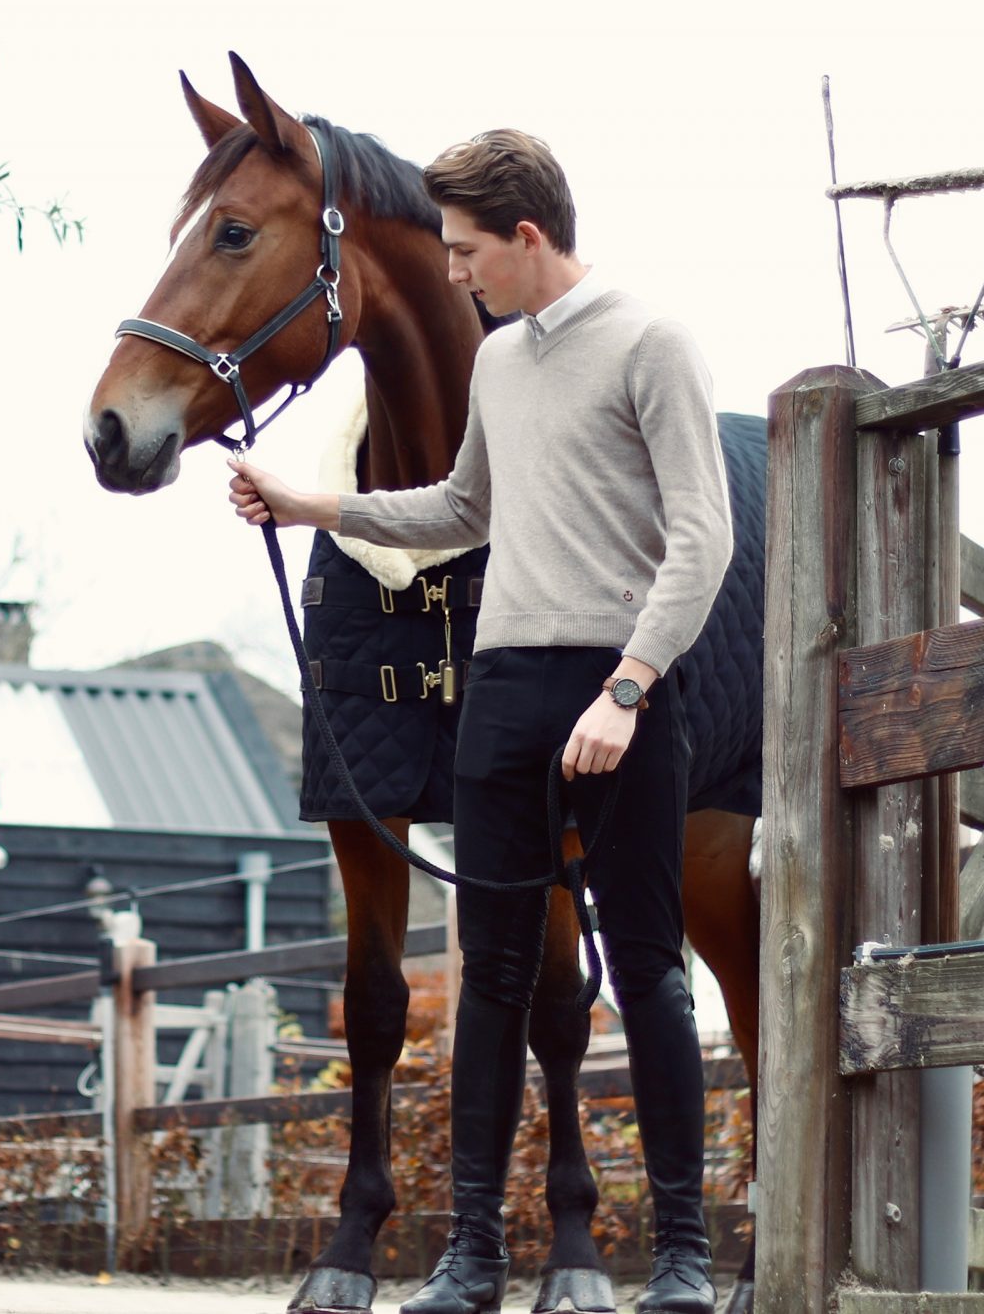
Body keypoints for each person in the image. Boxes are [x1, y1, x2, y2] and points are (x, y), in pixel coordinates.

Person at [229, 129, 732, 1314]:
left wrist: (629, 686)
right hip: (501, 691)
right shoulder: (500, 367)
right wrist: (309, 502)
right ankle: (470, 1260)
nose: (452, 273)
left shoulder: (652, 343)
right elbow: (464, 507)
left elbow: (701, 536)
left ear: (525, 236)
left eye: (465, 252)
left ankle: (679, 1261)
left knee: (651, 972)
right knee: (495, 979)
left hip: (616, 694)